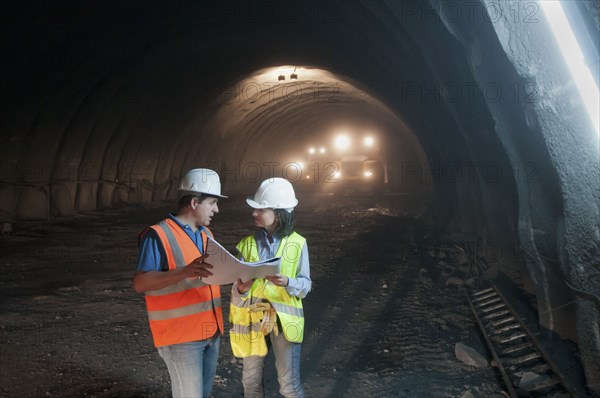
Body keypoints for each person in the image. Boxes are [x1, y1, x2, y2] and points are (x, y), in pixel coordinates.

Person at [133, 168, 227, 398]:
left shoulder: (207, 235)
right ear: (194, 203)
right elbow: (141, 282)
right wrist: (184, 271)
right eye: (212, 202)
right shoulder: (158, 234)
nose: (217, 209)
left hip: (211, 331)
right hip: (181, 338)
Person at [229, 177, 311, 398]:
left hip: (284, 322)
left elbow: (305, 285)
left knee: (289, 386)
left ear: (280, 213)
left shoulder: (298, 244)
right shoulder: (246, 244)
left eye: (261, 209)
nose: (254, 213)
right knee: (250, 382)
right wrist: (242, 289)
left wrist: (288, 282)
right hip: (252, 320)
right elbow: (238, 287)